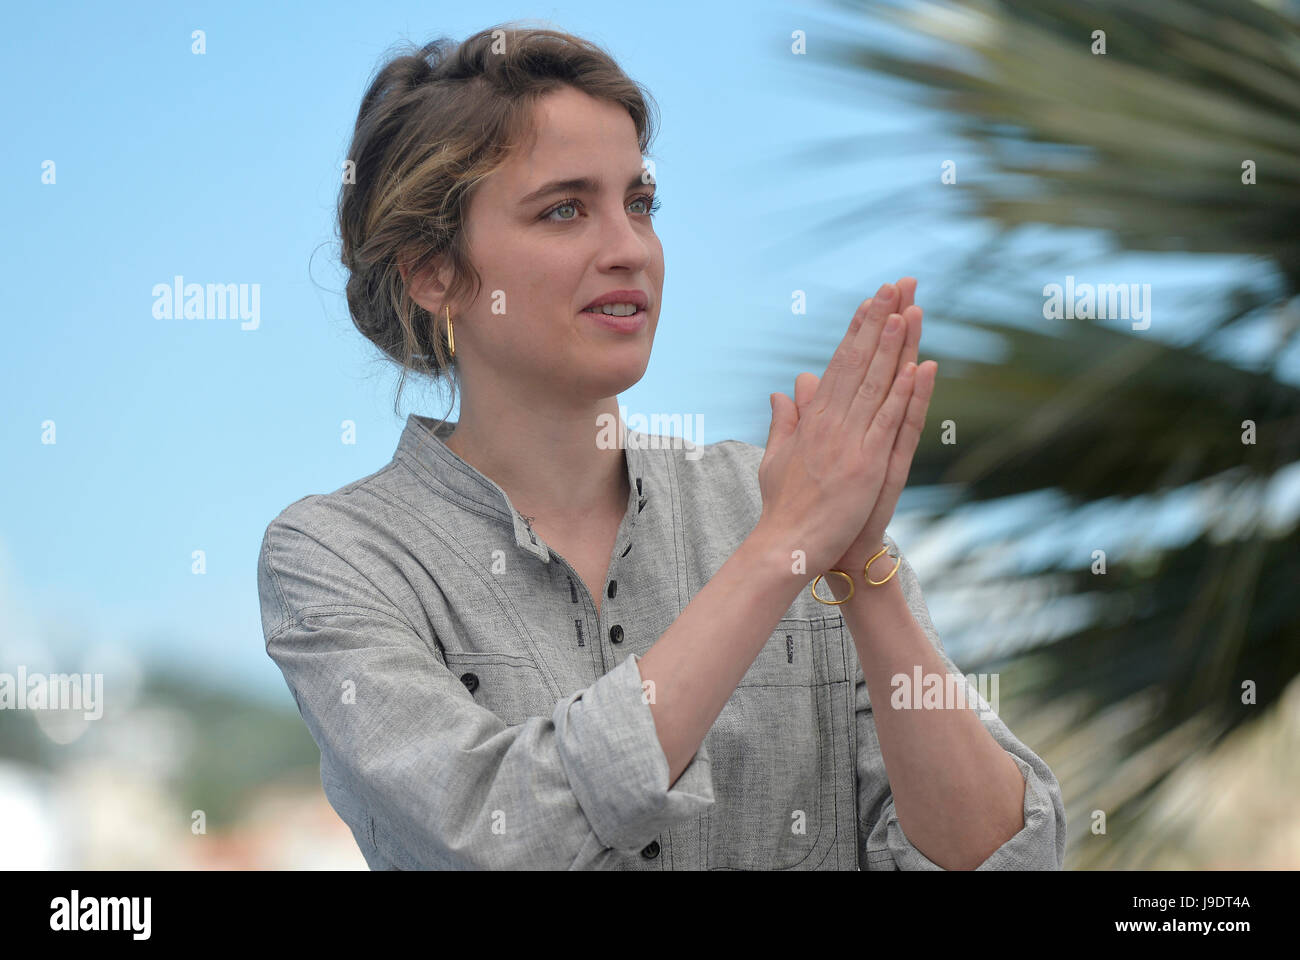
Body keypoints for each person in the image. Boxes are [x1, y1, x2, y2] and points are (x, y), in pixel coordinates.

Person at [256, 23, 1065, 870]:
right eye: (565, 209)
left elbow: (1005, 856)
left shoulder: (780, 498)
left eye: (639, 204)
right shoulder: (336, 558)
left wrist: (859, 567)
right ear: (433, 274)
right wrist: (781, 553)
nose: (629, 249)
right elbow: (500, 836)